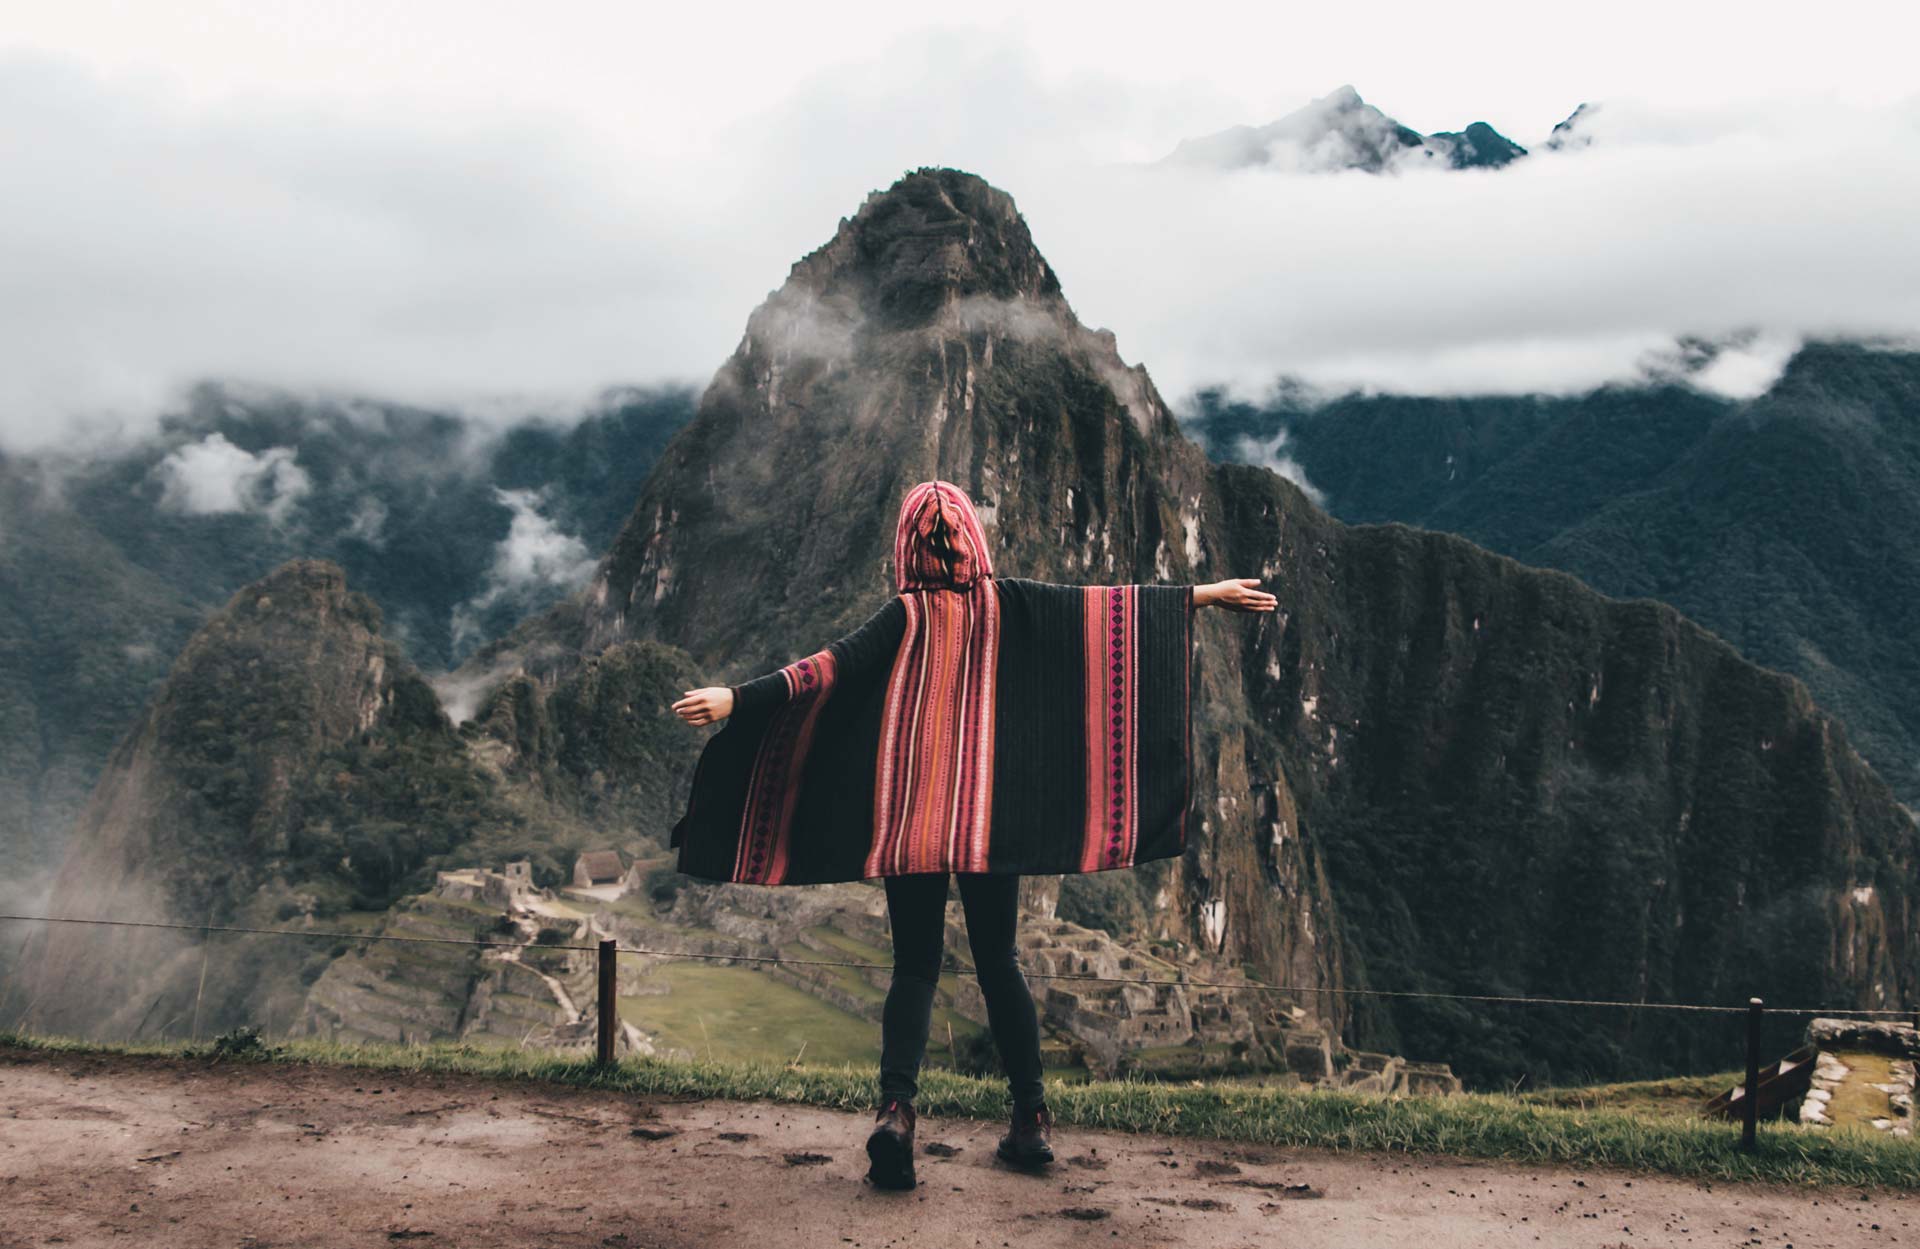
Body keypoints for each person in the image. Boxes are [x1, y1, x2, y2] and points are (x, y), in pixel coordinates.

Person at [669, 480, 1275, 1190]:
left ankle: (896, 1112)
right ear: (972, 543)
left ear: (907, 549)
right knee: (998, 960)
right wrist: (1203, 594)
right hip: (991, 820)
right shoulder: (1010, 605)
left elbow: (822, 671)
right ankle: (1030, 1120)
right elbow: (1105, 613)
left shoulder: (903, 616)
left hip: (913, 819)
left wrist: (735, 700)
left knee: (916, 966)